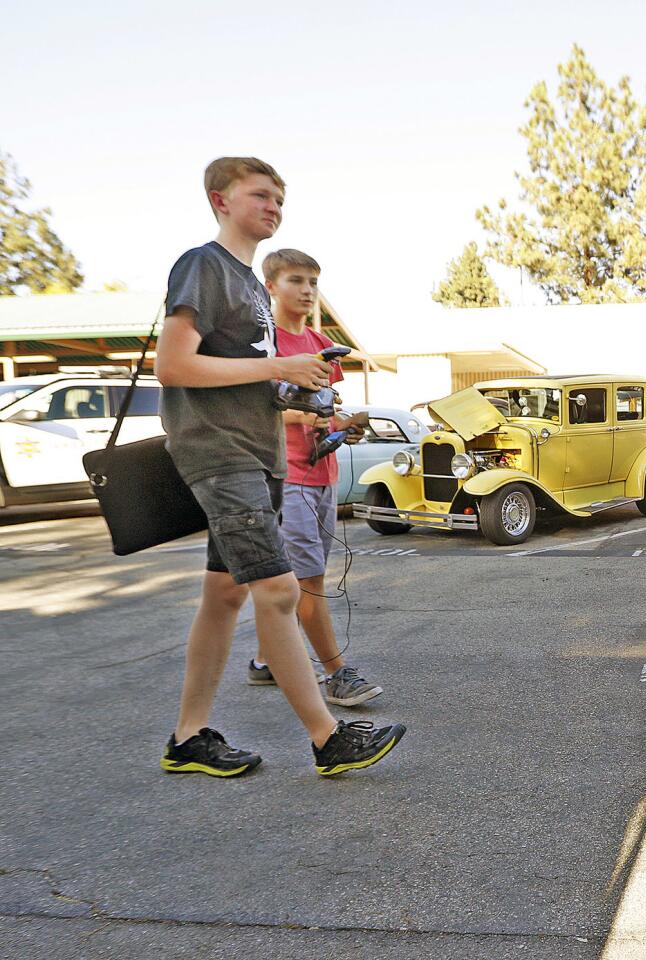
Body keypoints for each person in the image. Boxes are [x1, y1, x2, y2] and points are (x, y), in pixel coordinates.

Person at [154, 157, 405, 777]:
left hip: (258, 452)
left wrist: (304, 392)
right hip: (220, 452)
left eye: (280, 199)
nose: (274, 207)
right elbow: (173, 365)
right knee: (279, 589)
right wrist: (277, 369)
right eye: (260, 195)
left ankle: (190, 738)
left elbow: (246, 379)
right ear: (220, 199)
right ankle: (328, 738)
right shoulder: (203, 265)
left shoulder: (249, 290)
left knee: (222, 596)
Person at [247, 247, 383, 706]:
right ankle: (337, 673)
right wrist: (303, 418)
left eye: (312, 282)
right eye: (295, 281)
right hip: (288, 476)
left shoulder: (319, 342)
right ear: (270, 286)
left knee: (301, 573)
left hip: (324, 471)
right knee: (310, 580)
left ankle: (267, 659)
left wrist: (343, 422)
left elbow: (325, 406)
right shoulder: (263, 345)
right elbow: (250, 412)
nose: (306, 291)